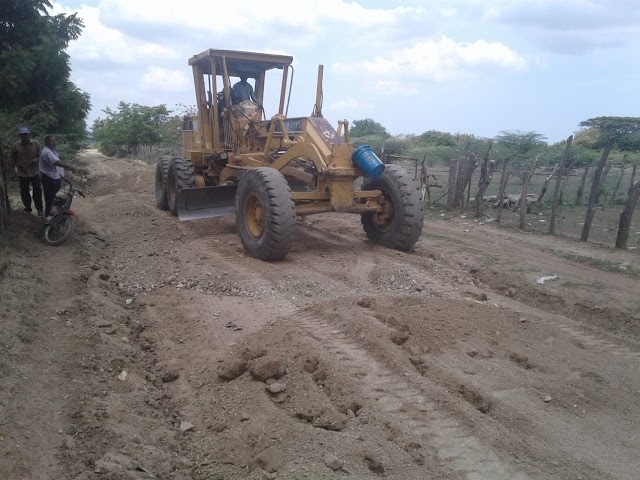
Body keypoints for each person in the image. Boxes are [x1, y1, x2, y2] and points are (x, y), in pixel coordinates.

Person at [39, 134, 77, 219]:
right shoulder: (47, 152)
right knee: (51, 199)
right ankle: (49, 218)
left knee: (54, 198)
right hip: (50, 179)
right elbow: (56, 162)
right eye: (52, 141)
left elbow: (57, 161)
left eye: (54, 141)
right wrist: (69, 167)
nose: (54, 143)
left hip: (54, 178)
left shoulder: (51, 151)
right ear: (46, 142)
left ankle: (53, 215)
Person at [9, 126, 43, 216]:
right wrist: (12, 172)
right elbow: (12, 159)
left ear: (29, 134)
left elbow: (42, 156)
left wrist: (37, 159)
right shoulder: (16, 146)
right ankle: (27, 208)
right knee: (24, 191)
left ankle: (40, 209)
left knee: (37, 191)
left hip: (34, 171)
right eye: (22, 135)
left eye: (26, 134)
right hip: (22, 172)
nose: (24, 137)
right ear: (20, 136)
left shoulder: (36, 144)